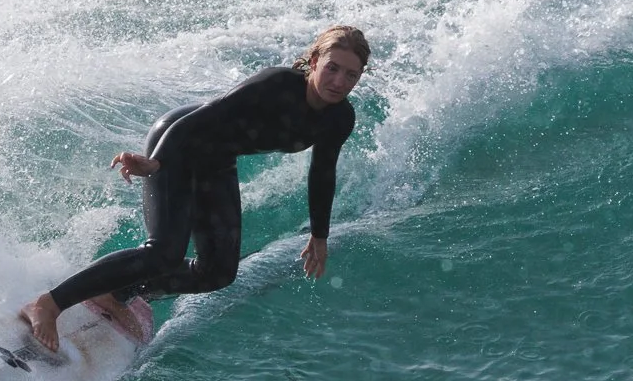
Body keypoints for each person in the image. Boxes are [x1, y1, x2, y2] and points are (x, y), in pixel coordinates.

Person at [19, 24, 370, 352]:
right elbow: (203, 118)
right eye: (333, 68)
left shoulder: (339, 118)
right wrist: (156, 163)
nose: (339, 81)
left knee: (217, 272)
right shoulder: (278, 85)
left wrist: (319, 236)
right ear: (313, 62)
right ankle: (49, 302)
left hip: (216, 160)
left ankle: (117, 291)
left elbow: (323, 172)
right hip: (181, 140)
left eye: (351, 75)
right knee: (164, 252)